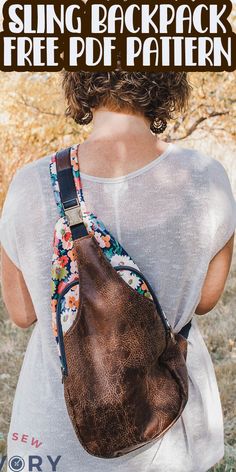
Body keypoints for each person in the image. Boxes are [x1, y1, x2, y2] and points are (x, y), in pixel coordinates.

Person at [0, 71, 236, 472]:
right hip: (170, 434)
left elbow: (22, 315)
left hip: (55, 440)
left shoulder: (30, 184)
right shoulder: (207, 179)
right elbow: (206, 300)